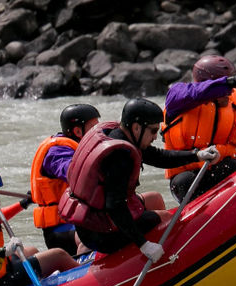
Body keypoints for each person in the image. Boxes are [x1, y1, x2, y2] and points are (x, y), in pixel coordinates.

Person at [58, 98, 218, 259]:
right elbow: (115, 206)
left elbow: (158, 157)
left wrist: (196, 155)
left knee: (154, 198)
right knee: (166, 219)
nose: (156, 137)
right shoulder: (120, 156)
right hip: (101, 233)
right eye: (153, 131)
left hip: (93, 221)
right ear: (136, 128)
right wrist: (143, 244)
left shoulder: (117, 135)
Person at [162, 55, 236, 202]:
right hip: (187, 176)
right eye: (225, 88)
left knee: (232, 166)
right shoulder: (178, 97)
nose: (230, 92)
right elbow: (197, 91)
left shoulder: (235, 104)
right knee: (185, 182)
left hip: (223, 169)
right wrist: (230, 82)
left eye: (231, 88)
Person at [29, 103, 101, 255]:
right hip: (59, 230)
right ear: (77, 131)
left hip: (80, 219)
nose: (99, 132)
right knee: (89, 238)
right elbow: (70, 171)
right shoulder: (57, 151)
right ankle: (86, 270)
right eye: (94, 127)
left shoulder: (81, 146)